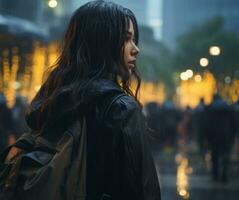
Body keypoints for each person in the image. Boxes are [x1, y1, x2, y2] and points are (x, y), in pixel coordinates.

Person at [8, 1, 161, 199]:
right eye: (126, 39)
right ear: (101, 44)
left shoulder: (52, 101)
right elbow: (142, 189)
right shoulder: (121, 109)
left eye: (134, 40)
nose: (136, 49)